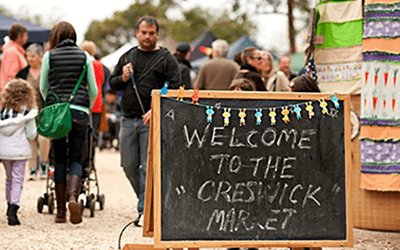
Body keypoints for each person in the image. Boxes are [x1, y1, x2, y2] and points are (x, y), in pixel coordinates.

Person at [109, 15, 181, 227]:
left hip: (153, 121)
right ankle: (147, 202)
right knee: (128, 165)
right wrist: (122, 78)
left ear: (157, 34)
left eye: (151, 33)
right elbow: (112, 85)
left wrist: (157, 108)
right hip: (127, 119)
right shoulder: (127, 56)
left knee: (147, 168)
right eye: (144, 33)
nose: (147, 37)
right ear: (137, 34)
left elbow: (174, 86)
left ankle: (144, 210)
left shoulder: (166, 58)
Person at [39, 21, 98, 224]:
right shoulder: (85, 56)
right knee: (76, 159)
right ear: (73, 36)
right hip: (79, 112)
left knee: (60, 160)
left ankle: (61, 212)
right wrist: (85, 106)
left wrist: (53, 104)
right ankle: (74, 197)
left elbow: (43, 87)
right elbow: (94, 89)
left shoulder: (49, 56)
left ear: (55, 36)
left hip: (58, 114)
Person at [0, 79, 38, 225]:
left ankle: (9, 203)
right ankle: (13, 209)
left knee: (9, 178)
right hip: (20, 150)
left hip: (3, 150)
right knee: (17, 180)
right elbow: (31, 134)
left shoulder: (2, 111)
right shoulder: (27, 112)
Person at [16, 43, 51, 180]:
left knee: (44, 139)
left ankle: (43, 164)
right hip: (28, 112)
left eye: (33, 56)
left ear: (40, 56)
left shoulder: (46, 72)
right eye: (28, 56)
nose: (30, 59)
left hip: (44, 111)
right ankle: (32, 168)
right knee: (31, 139)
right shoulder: (23, 73)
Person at [0, 23, 28, 94]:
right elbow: (10, 76)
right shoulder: (12, 52)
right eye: (25, 35)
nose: (27, 38)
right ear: (19, 36)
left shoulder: (15, 51)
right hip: (12, 94)